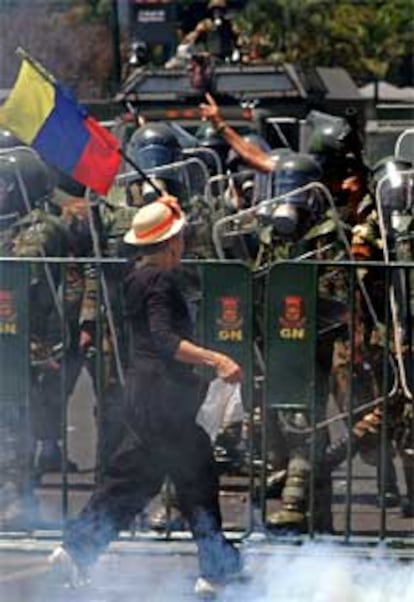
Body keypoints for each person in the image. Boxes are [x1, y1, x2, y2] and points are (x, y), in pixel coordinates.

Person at [49, 194, 247, 597]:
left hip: (146, 394)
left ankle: (76, 549)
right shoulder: (159, 280)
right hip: (164, 396)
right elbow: (164, 339)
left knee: (134, 479)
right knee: (196, 480)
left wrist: (166, 205)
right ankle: (217, 569)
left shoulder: (135, 274)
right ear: (171, 243)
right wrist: (217, 360)